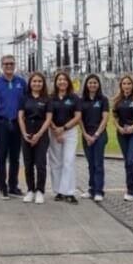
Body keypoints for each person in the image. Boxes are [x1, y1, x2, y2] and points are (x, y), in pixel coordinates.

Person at [0, 54, 26, 199]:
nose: (9, 66)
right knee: (1, 156)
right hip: (1, 123)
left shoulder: (22, 82)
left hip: (17, 123)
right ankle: (2, 187)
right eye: (6, 64)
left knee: (15, 157)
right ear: (2, 66)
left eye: (11, 63)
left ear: (15, 65)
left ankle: (13, 186)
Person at [18, 71, 52, 204]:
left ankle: (40, 191)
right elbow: (20, 117)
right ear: (30, 83)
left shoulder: (47, 99)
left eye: (39, 81)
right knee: (28, 164)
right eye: (34, 81)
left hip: (41, 135)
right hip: (27, 134)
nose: (37, 83)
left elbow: (48, 119)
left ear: (43, 84)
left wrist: (38, 135)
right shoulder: (24, 98)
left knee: (40, 164)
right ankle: (30, 190)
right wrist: (24, 133)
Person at [111, 74, 133, 202]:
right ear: (121, 86)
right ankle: (130, 188)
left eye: (129, 83)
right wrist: (119, 128)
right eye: (124, 84)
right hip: (122, 134)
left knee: (131, 160)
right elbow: (115, 118)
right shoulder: (117, 101)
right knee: (127, 161)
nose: (126, 86)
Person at [48, 71, 82, 204]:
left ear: (68, 82)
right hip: (54, 131)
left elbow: (77, 117)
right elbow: (48, 116)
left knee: (69, 161)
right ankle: (58, 191)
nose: (62, 82)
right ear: (56, 82)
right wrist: (56, 130)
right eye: (59, 79)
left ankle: (69, 192)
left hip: (70, 132)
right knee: (56, 162)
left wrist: (63, 129)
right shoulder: (51, 98)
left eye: (64, 79)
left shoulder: (74, 98)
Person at [79, 73, 109, 202]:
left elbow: (105, 119)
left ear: (98, 85)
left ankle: (99, 191)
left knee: (98, 163)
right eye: (90, 82)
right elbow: (79, 119)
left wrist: (95, 135)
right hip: (86, 135)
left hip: (99, 135)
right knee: (91, 163)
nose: (92, 85)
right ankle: (91, 189)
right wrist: (85, 134)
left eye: (95, 83)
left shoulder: (103, 99)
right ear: (86, 84)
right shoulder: (82, 100)